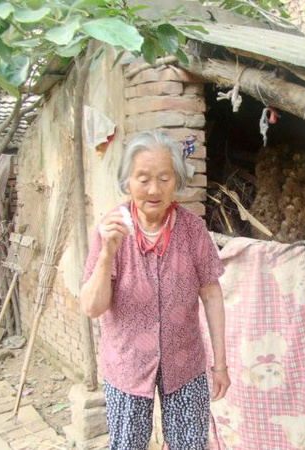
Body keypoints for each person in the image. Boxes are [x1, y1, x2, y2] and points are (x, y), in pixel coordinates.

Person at [80, 130, 230, 450]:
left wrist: (220, 364)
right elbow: (92, 308)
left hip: (185, 362)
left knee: (190, 445)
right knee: (127, 445)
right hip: (127, 365)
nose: (153, 189)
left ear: (176, 180)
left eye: (164, 178)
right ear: (127, 181)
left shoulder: (192, 230)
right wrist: (107, 253)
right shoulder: (112, 228)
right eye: (143, 177)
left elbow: (212, 295)